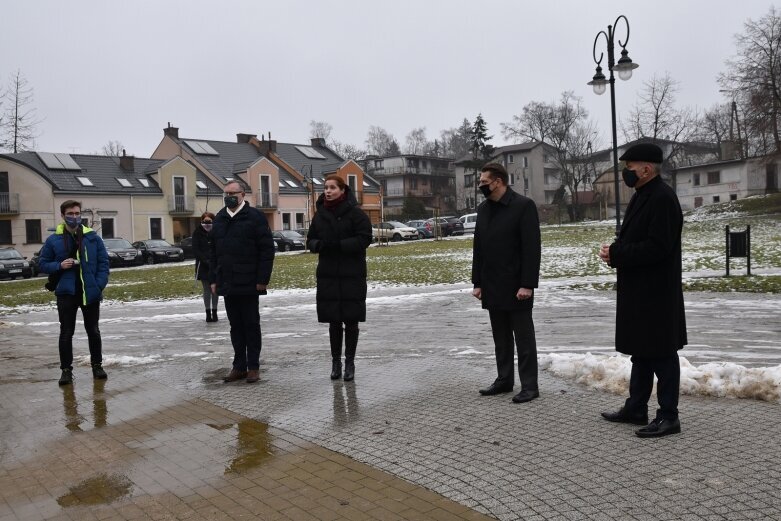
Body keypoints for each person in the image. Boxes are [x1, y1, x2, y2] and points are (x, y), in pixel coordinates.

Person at [599, 143, 687, 438]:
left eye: (630, 167)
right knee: (642, 352)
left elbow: (658, 247)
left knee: (662, 354)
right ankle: (636, 407)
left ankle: (669, 415)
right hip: (641, 290)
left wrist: (618, 253)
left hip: (656, 293)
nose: (626, 172)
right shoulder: (644, 195)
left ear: (647, 169)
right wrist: (616, 252)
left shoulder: (662, 198)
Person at [472, 163, 542, 404]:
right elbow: (478, 248)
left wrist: (527, 284)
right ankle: (504, 380)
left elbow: (531, 249)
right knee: (500, 338)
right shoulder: (483, 209)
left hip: (517, 287)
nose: (481, 186)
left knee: (523, 338)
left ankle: (530, 386)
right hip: (492, 285)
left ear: (499, 181)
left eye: (484, 182)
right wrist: (477, 282)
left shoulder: (523, 206)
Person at [307, 175, 372, 381]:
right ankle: (335, 361)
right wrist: (319, 245)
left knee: (351, 322)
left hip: (351, 274)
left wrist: (341, 245)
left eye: (333, 187)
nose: (328, 191)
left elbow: (365, 238)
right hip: (328, 275)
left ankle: (349, 362)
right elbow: (310, 239)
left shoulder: (356, 214)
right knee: (334, 322)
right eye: (326, 187)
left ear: (343, 190)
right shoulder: (319, 215)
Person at [210, 181, 275, 384]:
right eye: (226, 193)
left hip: (249, 281)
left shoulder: (255, 217)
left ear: (242, 194)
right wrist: (214, 279)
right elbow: (214, 253)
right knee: (235, 326)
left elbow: (266, 250)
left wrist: (262, 279)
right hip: (227, 282)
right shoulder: (220, 218)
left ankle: (253, 367)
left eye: (233, 193)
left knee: (251, 325)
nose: (229, 196)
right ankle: (238, 366)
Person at [40, 200, 110, 386]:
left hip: (89, 292)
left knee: (93, 331)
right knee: (66, 332)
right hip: (66, 293)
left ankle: (97, 366)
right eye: (70, 213)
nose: (74, 216)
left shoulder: (92, 237)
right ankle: (66, 371)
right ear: (62, 216)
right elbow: (42, 263)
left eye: (77, 213)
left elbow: (104, 263)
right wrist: (59, 265)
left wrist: (98, 284)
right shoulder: (54, 239)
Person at [193, 211, 219, 322]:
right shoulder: (197, 232)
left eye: (209, 220)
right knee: (207, 290)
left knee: (215, 290)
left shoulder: (217, 231)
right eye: (205, 220)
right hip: (203, 265)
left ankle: (215, 311)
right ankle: (208, 313)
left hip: (216, 265)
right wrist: (205, 261)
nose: (207, 223)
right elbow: (196, 249)